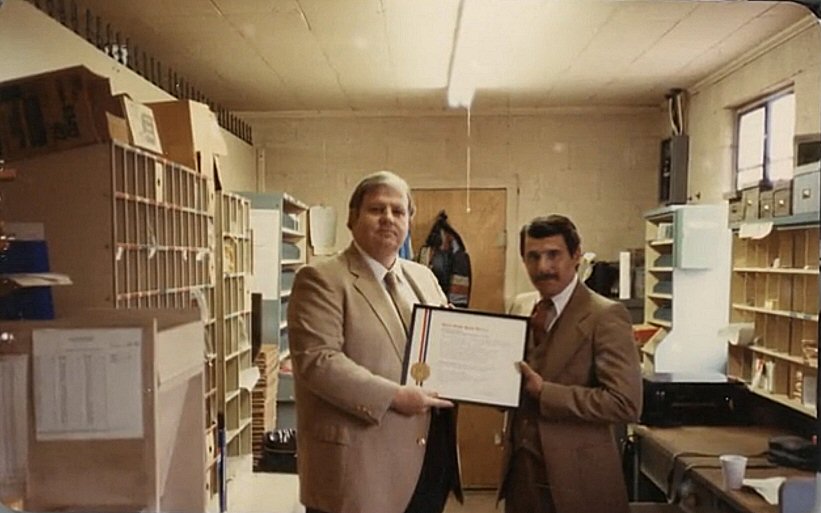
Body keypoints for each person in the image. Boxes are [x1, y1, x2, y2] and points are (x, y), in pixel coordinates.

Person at [287, 170, 462, 513]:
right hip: (359, 471)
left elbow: (450, 343)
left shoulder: (423, 277)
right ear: (353, 218)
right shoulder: (321, 279)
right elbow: (318, 362)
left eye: (398, 211)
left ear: (409, 221)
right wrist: (394, 396)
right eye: (376, 209)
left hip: (428, 461)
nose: (388, 219)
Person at [498, 214, 642, 513]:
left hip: (578, 482)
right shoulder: (521, 306)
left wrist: (545, 392)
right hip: (522, 477)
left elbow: (625, 403)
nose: (543, 267)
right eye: (533, 257)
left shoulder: (605, 315)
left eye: (554, 255)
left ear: (576, 255)